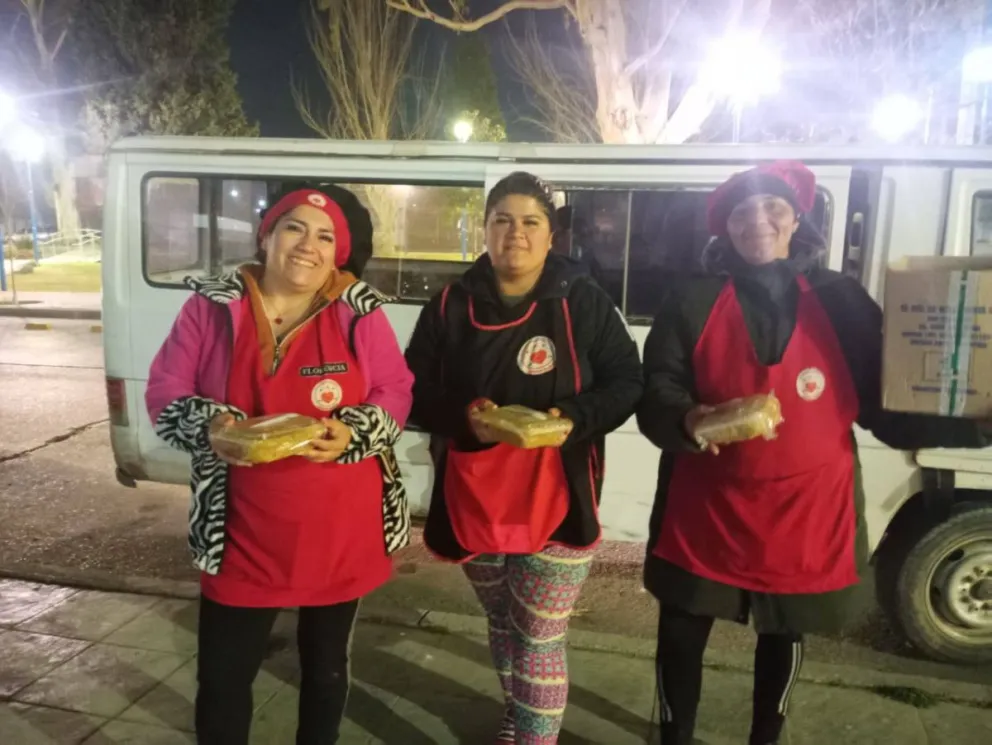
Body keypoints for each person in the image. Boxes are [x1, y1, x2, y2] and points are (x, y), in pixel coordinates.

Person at [636, 161, 989, 745]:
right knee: (680, 627)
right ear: (724, 227)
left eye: (772, 208)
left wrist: (976, 426)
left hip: (807, 507)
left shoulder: (841, 300)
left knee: (784, 632)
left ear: (796, 218)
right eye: (742, 212)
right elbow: (658, 390)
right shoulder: (691, 298)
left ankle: (765, 740)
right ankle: (674, 737)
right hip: (707, 506)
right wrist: (688, 416)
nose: (758, 221)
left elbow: (886, 406)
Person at [145, 184, 414, 745]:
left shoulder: (358, 312)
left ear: (338, 252)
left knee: (325, 668)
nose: (307, 246)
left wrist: (356, 430)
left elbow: (394, 388)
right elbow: (166, 389)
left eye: (325, 236)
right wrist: (214, 425)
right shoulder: (213, 305)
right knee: (222, 678)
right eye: (295, 228)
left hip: (340, 526)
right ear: (267, 235)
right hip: (239, 532)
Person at [405, 172, 643, 744]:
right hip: (474, 494)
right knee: (502, 620)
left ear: (551, 235)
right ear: (483, 231)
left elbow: (627, 381)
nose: (516, 233)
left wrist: (572, 419)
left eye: (530, 222)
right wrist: (466, 415)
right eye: (502, 220)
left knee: (538, 632)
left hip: (558, 497)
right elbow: (410, 387)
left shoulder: (581, 301)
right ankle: (516, 712)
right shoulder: (448, 304)